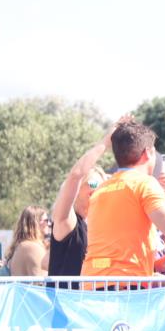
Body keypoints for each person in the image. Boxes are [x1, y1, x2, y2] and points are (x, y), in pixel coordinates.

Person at [82, 117, 165, 285]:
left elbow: (118, 249)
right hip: (126, 290)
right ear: (148, 153)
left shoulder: (101, 188)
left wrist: (157, 265)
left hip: (92, 285)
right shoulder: (145, 183)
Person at [49, 120, 122, 286]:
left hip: (85, 305)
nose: (98, 191)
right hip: (63, 306)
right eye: (94, 185)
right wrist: (106, 142)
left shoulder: (94, 227)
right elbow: (76, 174)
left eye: (101, 187)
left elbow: (47, 261)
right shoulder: (67, 221)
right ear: (78, 189)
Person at [6, 206, 50, 276]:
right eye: (46, 220)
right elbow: (41, 281)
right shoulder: (32, 247)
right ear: (35, 223)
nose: (49, 224)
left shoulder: (23, 245)